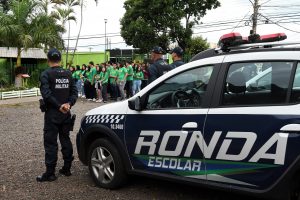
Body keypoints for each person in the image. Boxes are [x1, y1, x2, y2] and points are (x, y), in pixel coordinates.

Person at [37, 48, 78, 182]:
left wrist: (59, 106)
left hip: (53, 114)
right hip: (66, 113)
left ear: (48, 60)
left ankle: (50, 173)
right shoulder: (68, 73)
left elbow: (46, 94)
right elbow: (74, 92)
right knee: (65, 140)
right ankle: (67, 168)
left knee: (50, 143)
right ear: (60, 60)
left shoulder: (46, 74)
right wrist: (68, 105)